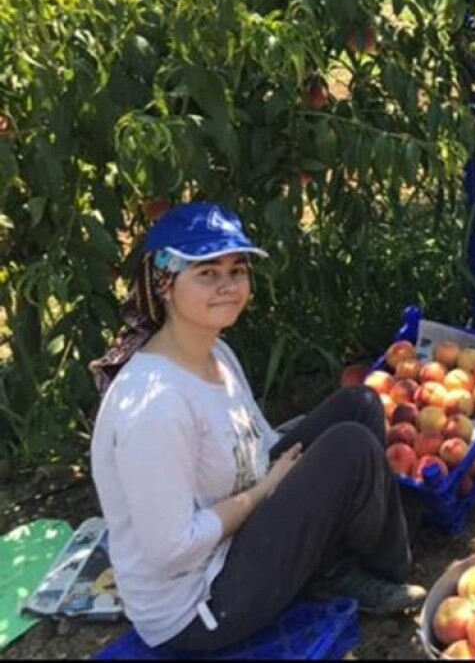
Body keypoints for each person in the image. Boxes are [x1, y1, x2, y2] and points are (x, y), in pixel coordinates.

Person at [89, 202, 426, 652]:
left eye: (237, 270)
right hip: (200, 604)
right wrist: (266, 492)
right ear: (165, 285)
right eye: (207, 273)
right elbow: (172, 550)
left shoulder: (215, 354)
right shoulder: (156, 407)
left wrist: (292, 478)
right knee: (350, 448)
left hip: (236, 539)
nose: (228, 286)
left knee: (359, 405)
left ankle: (329, 563)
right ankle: (379, 566)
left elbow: (258, 446)